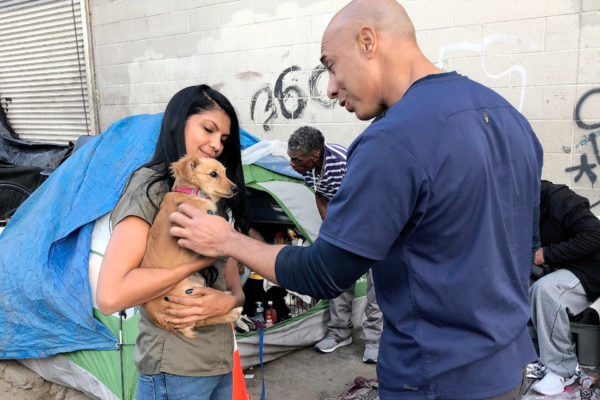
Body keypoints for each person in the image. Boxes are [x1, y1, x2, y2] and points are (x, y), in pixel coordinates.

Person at [166, 1, 543, 398]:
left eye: (331, 65)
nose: (329, 87)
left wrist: (226, 240)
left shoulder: (392, 141)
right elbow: (527, 247)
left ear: (367, 41)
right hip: (509, 369)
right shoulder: (511, 120)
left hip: (435, 378)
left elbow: (323, 274)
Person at [96, 84, 250, 400]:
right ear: (177, 124)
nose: (216, 144)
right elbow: (111, 295)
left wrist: (231, 300)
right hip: (175, 369)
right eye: (208, 129)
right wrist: (197, 263)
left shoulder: (210, 194)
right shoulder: (152, 190)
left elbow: (231, 280)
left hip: (219, 361)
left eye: (223, 138)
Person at [287, 125, 382, 362]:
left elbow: (366, 196)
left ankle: (374, 340)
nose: (293, 165)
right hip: (343, 225)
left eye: (297, 160)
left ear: (315, 155)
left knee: (375, 285)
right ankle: (340, 333)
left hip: (369, 221)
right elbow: (321, 195)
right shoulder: (307, 167)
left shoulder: (344, 161)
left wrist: (355, 233)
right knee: (338, 278)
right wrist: (330, 230)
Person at [529, 180, 600, 396]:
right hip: (561, 267)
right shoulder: (513, 205)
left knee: (545, 291)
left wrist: (546, 254)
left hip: (590, 269)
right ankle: (537, 356)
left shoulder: (559, 198)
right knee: (520, 287)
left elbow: (595, 235)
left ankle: (562, 370)